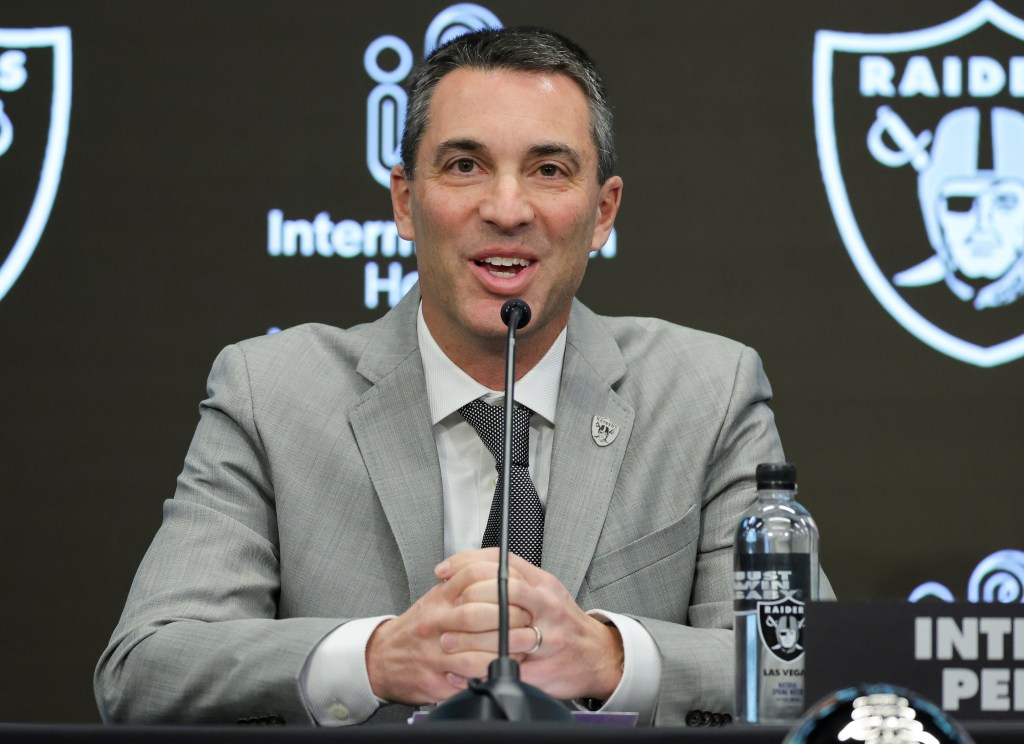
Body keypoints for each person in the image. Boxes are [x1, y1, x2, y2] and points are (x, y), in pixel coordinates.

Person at [95, 26, 825, 727]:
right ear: (405, 203)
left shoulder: (706, 393)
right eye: (465, 165)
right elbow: (145, 667)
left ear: (602, 213)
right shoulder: (271, 395)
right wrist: (375, 658)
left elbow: (814, 671)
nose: (506, 210)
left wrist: (608, 655)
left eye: (548, 169)